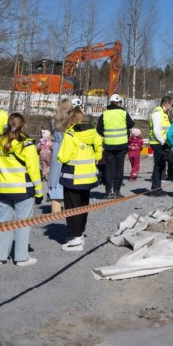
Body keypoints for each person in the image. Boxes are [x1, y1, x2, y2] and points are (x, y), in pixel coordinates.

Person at [0, 113, 42, 266]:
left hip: (3, 188)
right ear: (23, 125)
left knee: (3, 222)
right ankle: (21, 257)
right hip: (23, 189)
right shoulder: (26, 144)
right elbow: (33, 169)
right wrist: (39, 191)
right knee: (22, 223)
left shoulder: (0, 142)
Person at [57, 107, 102, 252]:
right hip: (88, 175)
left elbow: (63, 156)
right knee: (84, 205)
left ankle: (75, 237)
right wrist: (96, 157)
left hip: (73, 175)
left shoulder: (70, 134)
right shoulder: (92, 131)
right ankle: (80, 233)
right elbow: (99, 146)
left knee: (71, 207)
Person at [96, 94, 134, 199]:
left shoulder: (105, 114)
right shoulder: (123, 113)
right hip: (121, 145)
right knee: (119, 168)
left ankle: (108, 191)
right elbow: (131, 124)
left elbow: (99, 129)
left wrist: (107, 134)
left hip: (108, 145)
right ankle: (117, 191)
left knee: (109, 168)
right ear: (119, 103)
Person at [47, 98, 78, 215]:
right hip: (69, 148)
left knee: (55, 178)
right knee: (69, 175)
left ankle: (55, 211)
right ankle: (68, 209)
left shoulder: (54, 120)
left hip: (57, 149)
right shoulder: (72, 121)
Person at [149, 96, 173, 191]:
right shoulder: (158, 113)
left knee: (161, 164)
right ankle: (155, 187)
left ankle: (158, 186)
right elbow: (156, 130)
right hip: (158, 143)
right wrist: (162, 141)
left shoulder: (164, 113)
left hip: (162, 143)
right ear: (167, 104)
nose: (171, 107)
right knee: (158, 165)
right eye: (171, 105)